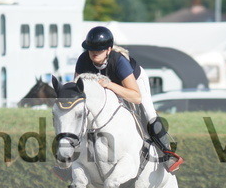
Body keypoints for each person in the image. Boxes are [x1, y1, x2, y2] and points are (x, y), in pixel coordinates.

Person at [74, 26, 183, 172]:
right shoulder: (83, 60)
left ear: (108, 49)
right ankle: (71, 159)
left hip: (133, 82)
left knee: (149, 114)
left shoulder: (119, 61)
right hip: (107, 85)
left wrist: (110, 85)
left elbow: (136, 97)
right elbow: (77, 90)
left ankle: (167, 154)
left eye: (99, 50)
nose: (93, 53)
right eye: (91, 49)